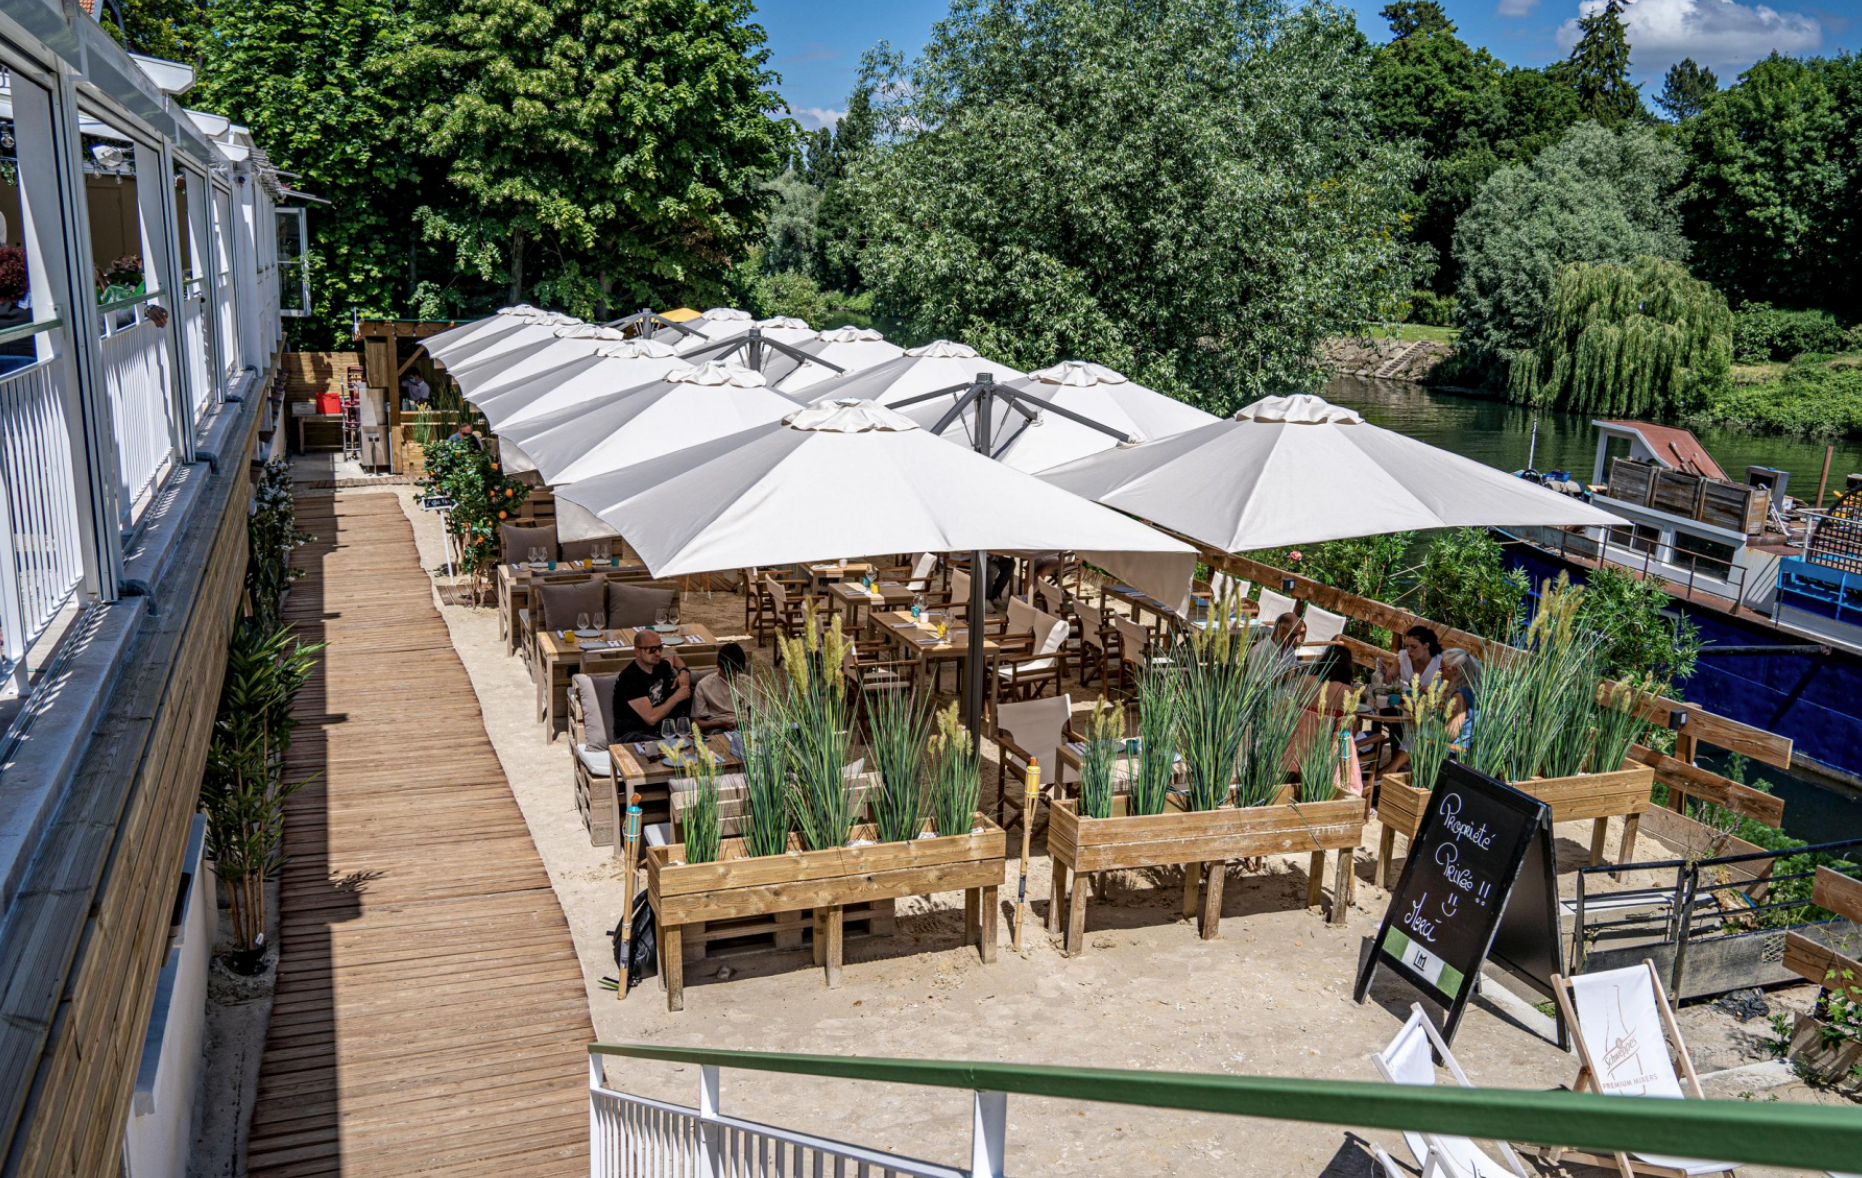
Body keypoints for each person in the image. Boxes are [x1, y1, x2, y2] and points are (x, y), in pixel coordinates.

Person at [612, 630, 691, 741]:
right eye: (651, 650)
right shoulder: (630, 678)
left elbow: (674, 658)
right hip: (633, 734)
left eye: (660, 648)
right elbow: (651, 718)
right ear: (637, 651)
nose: (658, 653)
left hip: (661, 731)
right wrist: (676, 697)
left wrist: (683, 671)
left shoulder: (659, 665)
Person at [690, 642, 746, 730]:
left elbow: (762, 711)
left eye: (737, 671)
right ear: (717, 664)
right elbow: (695, 722)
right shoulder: (704, 685)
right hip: (718, 728)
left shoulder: (747, 682)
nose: (734, 675)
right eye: (728, 672)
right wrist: (720, 724)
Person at [1375, 625, 1443, 694]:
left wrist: (1435, 692)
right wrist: (1385, 673)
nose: (1409, 650)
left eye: (1414, 647)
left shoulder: (1440, 663)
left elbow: (1448, 693)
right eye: (1406, 646)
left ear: (1426, 646)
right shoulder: (1402, 657)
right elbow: (1389, 682)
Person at [1247, 611, 1305, 679]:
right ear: (1279, 629)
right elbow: (1255, 683)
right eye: (1292, 636)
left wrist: (1298, 670)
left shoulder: (1289, 648)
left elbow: (1295, 668)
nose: (1295, 641)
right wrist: (1282, 678)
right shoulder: (1258, 652)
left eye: (1296, 637)